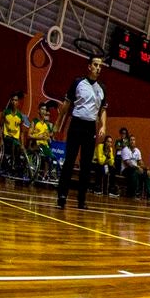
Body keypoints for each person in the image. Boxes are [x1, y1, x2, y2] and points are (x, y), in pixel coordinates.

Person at [54, 55, 107, 210]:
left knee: (86, 164)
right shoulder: (78, 83)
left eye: (100, 66)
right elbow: (66, 104)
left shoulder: (102, 88)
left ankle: (81, 200)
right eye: (96, 65)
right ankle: (62, 196)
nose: (98, 68)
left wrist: (103, 126)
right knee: (69, 161)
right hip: (76, 124)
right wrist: (58, 122)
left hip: (90, 127)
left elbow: (103, 110)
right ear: (89, 66)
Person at [0, 92, 27, 175]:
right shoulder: (5, 112)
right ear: (11, 101)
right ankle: (13, 164)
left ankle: (19, 168)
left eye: (16, 100)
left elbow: (21, 131)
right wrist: (1, 140)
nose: (14, 102)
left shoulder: (20, 116)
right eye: (13, 100)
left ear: (18, 102)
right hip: (6, 137)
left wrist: (22, 144)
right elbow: (0, 127)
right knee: (14, 143)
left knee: (21, 148)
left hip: (15, 139)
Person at [26, 102, 55, 176]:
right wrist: (39, 137)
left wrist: (48, 138)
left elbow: (48, 136)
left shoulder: (47, 125)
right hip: (36, 144)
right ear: (38, 110)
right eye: (42, 109)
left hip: (45, 145)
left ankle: (46, 174)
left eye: (45, 110)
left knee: (51, 157)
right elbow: (29, 135)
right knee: (43, 152)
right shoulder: (34, 122)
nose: (44, 111)